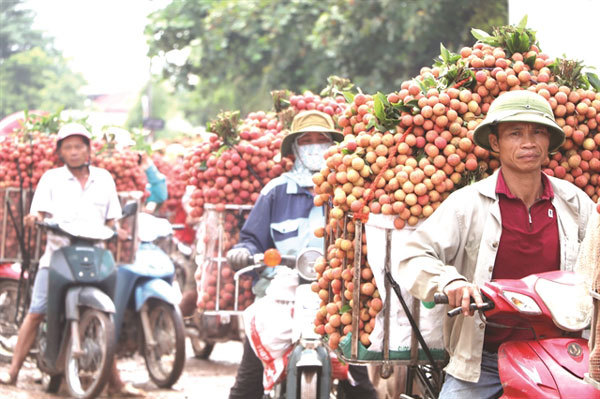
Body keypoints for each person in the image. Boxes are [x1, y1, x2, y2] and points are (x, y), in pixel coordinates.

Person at [396, 90, 595, 398]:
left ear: (548, 144)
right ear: (494, 143)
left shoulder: (573, 202)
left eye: (538, 132)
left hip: (562, 354)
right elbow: (413, 256)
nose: (528, 143)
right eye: (515, 133)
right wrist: (451, 283)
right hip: (485, 362)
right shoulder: (467, 204)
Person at [226, 110, 378, 399]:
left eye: (321, 140)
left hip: (337, 295)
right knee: (247, 384)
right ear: (295, 148)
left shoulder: (349, 190)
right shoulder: (276, 191)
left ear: (333, 145)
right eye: (306, 140)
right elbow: (251, 239)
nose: (314, 146)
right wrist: (243, 252)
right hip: (279, 293)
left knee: (360, 386)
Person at [0, 123, 146, 397]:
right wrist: (36, 219)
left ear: (89, 149)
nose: (74, 152)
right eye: (68, 147)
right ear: (61, 152)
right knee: (37, 311)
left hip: (94, 253)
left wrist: (119, 227)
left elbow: (112, 216)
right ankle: (13, 371)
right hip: (57, 256)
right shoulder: (51, 178)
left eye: (79, 146)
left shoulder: (103, 179)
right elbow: (40, 213)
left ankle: (115, 382)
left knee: (108, 315)